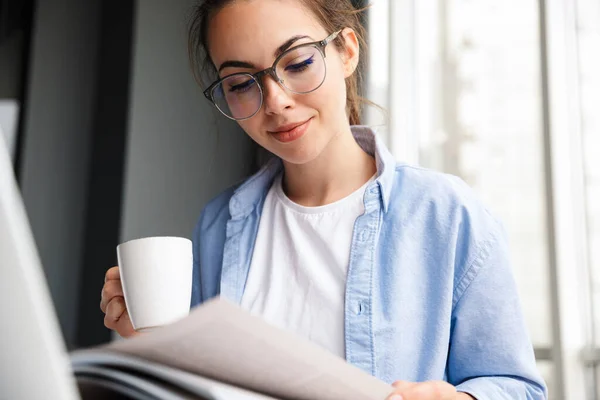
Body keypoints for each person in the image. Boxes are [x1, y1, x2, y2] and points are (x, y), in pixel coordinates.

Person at [100, 0, 548, 399]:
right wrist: (151, 338)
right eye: (240, 84)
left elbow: (518, 388)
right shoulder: (220, 223)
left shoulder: (445, 214)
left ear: (347, 51)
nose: (275, 101)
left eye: (296, 63)